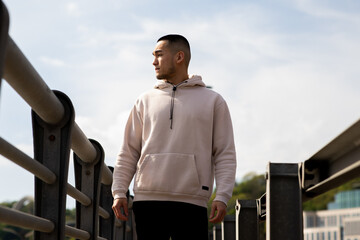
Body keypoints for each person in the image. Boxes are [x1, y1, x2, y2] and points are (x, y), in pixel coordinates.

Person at [112, 34, 236, 240]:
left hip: (192, 201)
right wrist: (119, 192)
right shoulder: (144, 100)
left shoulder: (213, 101)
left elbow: (224, 153)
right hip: (147, 201)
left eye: (159, 55)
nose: (153, 62)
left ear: (179, 57)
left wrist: (222, 196)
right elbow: (129, 150)